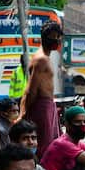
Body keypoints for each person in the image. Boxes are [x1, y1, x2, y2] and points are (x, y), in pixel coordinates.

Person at [23, 20, 64, 155]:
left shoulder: (45, 57)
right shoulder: (42, 59)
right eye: (54, 37)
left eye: (58, 37)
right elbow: (31, 90)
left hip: (47, 106)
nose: (57, 40)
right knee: (44, 148)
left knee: (51, 145)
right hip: (42, 107)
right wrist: (23, 114)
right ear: (44, 37)